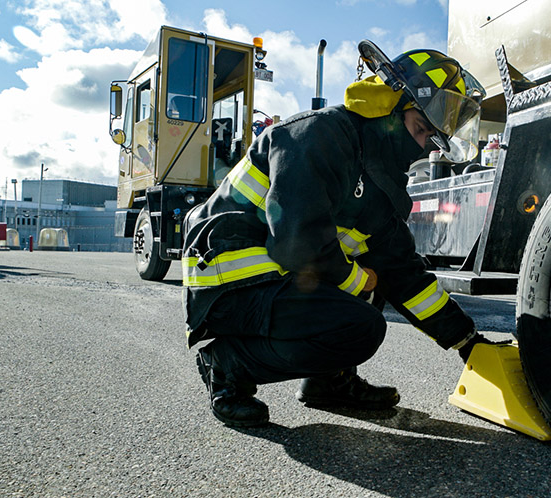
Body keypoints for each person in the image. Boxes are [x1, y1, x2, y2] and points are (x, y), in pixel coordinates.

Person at [182, 42, 492, 427]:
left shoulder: (381, 187)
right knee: (362, 318)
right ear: (388, 107)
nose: (422, 146)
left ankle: (329, 382)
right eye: (419, 129)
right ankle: (225, 367)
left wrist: (468, 342)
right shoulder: (319, 135)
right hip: (228, 280)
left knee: (378, 280)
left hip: (273, 277)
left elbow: (407, 277)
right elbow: (297, 242)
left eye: (431, 138)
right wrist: (360, 279)